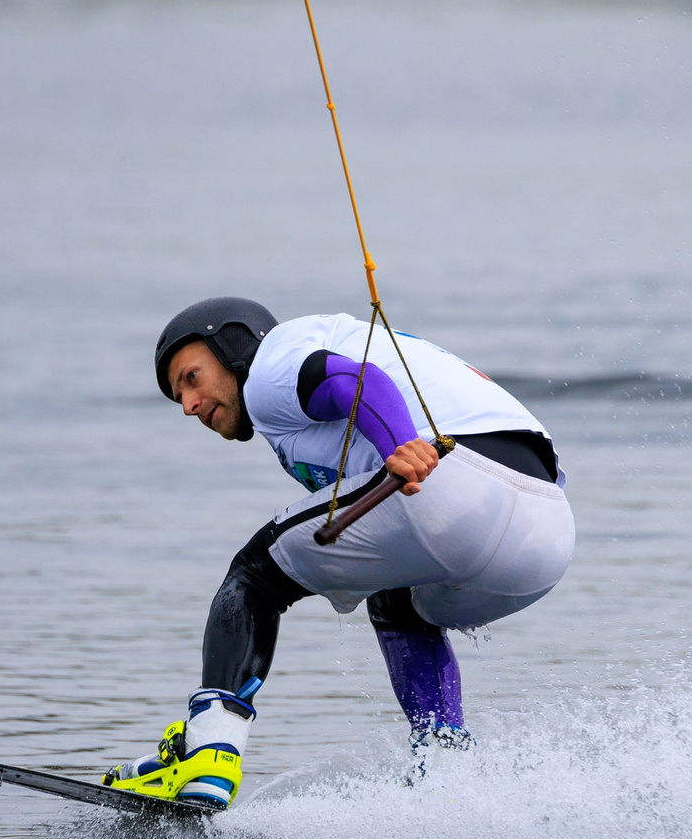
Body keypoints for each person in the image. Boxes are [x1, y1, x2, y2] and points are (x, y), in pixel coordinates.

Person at [106, 297, 574, 810]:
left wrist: (400, 445)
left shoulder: (270, 365)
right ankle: (446, 769)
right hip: (546, 535)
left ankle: (209, 749)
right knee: (396, 600)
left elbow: (357, 381)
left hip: (453, 480)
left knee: (254, 579)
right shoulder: (317, 362)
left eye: (192, 378)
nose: (189, 405)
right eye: (179, 397)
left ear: (234, 346)